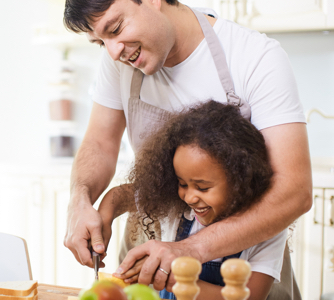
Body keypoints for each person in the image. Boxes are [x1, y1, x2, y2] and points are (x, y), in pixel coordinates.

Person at [62, 0, 312, 298]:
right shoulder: (118, 60)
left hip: (242, 256)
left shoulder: (255, 57)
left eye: (115, 28)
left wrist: (186, 252)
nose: (114, 51)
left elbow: (294, 191)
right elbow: (100, 143)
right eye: (100, 42)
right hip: (151, 250)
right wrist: (80, 200)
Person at [98, 100, 284, 299]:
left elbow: (252, 297)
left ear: (241, 181)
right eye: (182, 184)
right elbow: (119, 195)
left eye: (202, 187)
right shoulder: (178, 209)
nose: (189, 197)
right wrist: (103, 218)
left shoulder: (265, 234)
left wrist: (177, 276)